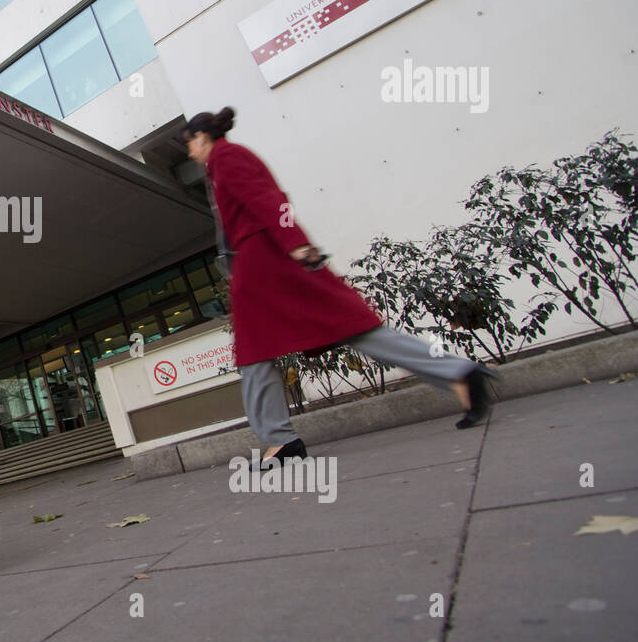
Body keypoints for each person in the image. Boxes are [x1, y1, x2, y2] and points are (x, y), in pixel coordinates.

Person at [182, 107, 498, 468]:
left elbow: (268, 199)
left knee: (257, 351)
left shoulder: (228, 158)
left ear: (202, 137)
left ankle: (280, 441)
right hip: (266, 261)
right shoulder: (225, 161)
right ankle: (458, 375)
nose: (189, 154)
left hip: (265, 263)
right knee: (350, 329)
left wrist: (296, 243)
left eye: (189, 145)